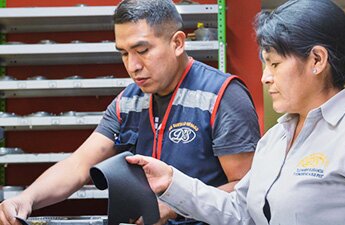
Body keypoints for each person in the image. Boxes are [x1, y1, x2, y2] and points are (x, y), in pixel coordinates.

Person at [124, 0, 345, 224]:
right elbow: (240, 211)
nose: (265, 77)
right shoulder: (275, 139)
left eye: (274, 64)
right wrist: (171, 181)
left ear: (316, 59)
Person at [0, 0, 260, 224]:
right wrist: (26, 199)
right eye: (123, 53)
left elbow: (245, 189)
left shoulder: (221, 96)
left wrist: (175, 206)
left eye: (142, 50)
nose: (132, 66)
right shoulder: (129, 102)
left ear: (178, 43)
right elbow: (78, 165)